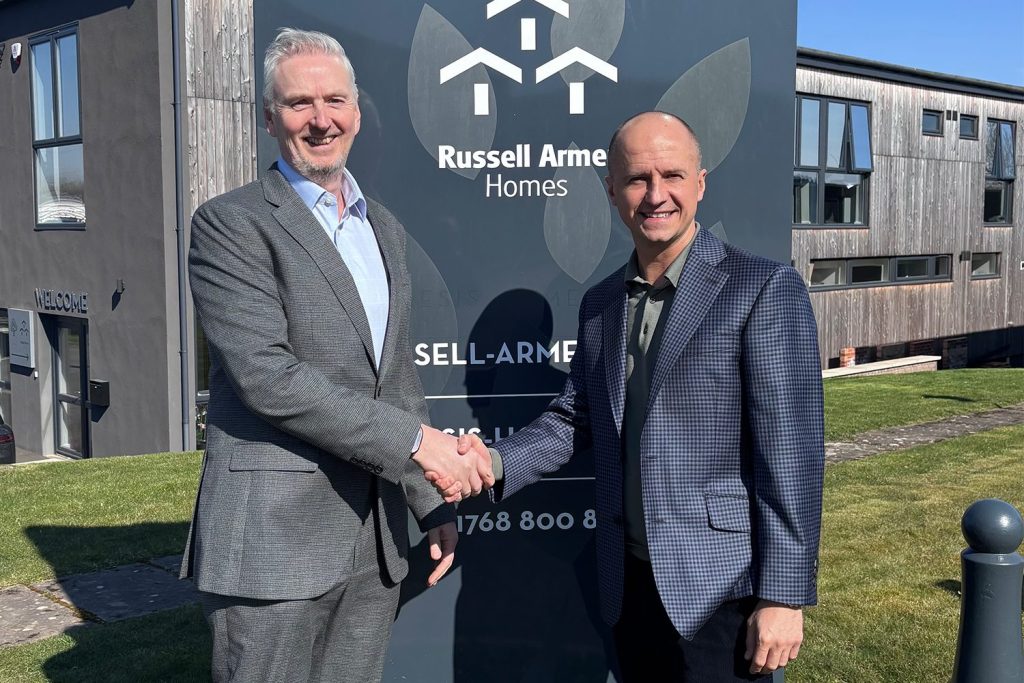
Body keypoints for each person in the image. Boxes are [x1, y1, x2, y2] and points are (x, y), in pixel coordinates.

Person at [449, 111, 824, 681]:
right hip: (626, 581)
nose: (655, 196)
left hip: (722, 591)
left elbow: (792, 454)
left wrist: (783, 595)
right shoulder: (601, 303)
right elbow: (576, 419)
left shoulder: (762, 289)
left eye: (672, 176)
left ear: (700, 183)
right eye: (636, 180)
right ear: (611, 191)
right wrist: (494, 462)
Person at [181, 27, 491, 683]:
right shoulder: (229, 223)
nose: (320, 120)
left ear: (356, 111)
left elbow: (395, 380)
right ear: (270, 119)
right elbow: (268, 377)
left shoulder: (383, 226)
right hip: (273, 545)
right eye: (300, 104)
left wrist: (428, 499)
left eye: (334, 101)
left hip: (371, 543)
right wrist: (416, 443)